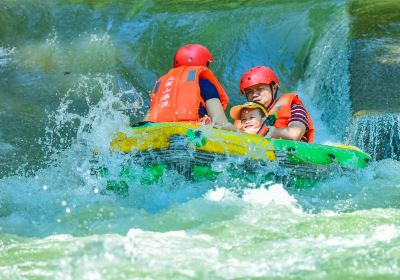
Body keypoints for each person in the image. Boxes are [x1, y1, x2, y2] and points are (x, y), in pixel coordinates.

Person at [143, 44, 235, 130]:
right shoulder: (206, 85)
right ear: (205, 65)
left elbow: (146, 122)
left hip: (160, 133)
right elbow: (221, 124)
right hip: (191, 135)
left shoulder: (163, 89)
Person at [238, 66, 314, 142]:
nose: (254, 94)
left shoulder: (294, 108)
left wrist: (259, 131)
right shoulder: (244, 116)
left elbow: (294, 135)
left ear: (274, 87)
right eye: (250, 92)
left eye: (260, 89)